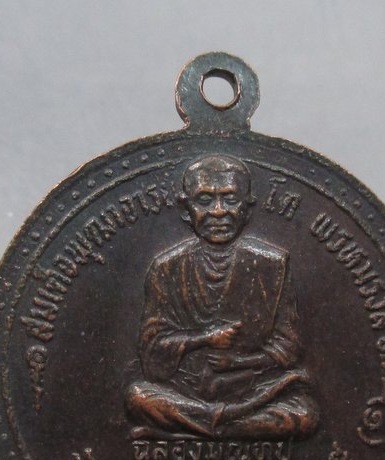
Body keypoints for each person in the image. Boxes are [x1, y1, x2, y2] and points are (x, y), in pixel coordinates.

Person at [126, 154, 318, 440]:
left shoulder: (273, 265)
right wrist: (203, 338)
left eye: (230, 199)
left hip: (253, 390)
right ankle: (228, 426)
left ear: (247, 210)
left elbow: (288, 348)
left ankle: (198, 427)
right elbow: (151, 355)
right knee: (138, 397)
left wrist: (240, 363)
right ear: (186, 210)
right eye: (204, 200)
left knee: (304, 414)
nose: (218, 212)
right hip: (186, 391)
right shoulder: (166, 267)